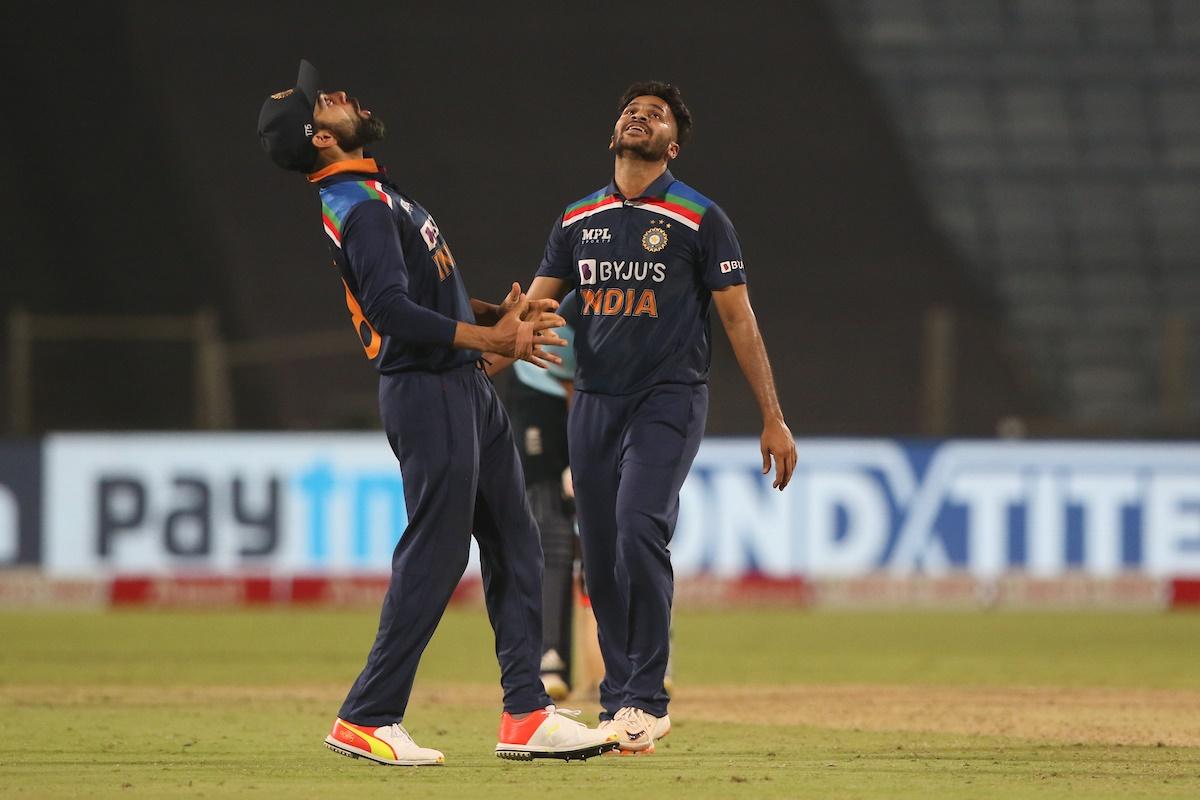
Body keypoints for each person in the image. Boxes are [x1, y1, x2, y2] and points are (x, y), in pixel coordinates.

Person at [256, 60, 617, 765]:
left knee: (515, 539)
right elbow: (390, 312)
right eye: (319, 103)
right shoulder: (358, 207)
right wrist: (494, 339)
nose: (334, 95)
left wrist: (492, 313)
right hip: (428, 390)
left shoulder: (371, 193)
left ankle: (526, 714)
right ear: (319, 139)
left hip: (458, 387)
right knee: (440, 548)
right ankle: (367, 715)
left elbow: (420, 295)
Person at [523, 81, 798, 754]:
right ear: (614, 133)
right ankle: (620, 700)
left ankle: (648, 695)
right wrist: (480, 346)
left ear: (671, 146)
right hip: (591, 400)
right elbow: (533, 310)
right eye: (631, 111)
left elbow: (738, 317)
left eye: (656, 116)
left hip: (669, 398)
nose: (639, 117)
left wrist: (774, 416)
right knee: (601, 550)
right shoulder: (576, 219)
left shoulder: (701, 218)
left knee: (636, 525)